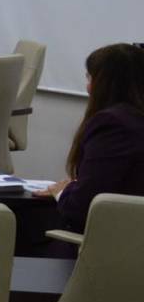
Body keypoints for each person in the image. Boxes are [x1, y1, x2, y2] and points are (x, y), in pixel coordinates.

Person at [35, 43, 144, 230]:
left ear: (104, 84)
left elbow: (80, 208)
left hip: (106, 238)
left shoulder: (113, 125)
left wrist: (63, 191)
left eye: (89, 78)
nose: (88, 86)